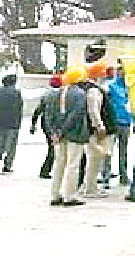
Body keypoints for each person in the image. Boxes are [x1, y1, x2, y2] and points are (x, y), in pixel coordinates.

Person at [49, 66, 90, 206]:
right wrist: (63, 130)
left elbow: (50, 114)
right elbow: (76, 115)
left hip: (58, 134)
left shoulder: (55, 93)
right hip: (75, 133)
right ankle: (69, 195)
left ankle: (55, 194)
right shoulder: (80, 94)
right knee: (73, 164)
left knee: (59, 163)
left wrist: (54, 132)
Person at [79, 60, 116, 198]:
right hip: (97, 131)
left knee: (94, 159)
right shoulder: (94, 91)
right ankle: (90, 188)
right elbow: (93, 111)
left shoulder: (93, 89)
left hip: (95, 130)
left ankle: (89, 185)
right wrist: (100, 127)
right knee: (94, 160)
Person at [104, 65, 133, 186]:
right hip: (113, 122)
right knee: (108, 150)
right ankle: (105, 174)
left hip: (126, 122)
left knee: (123, 151)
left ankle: (123, 175)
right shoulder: (110, 85)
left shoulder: (130, 87)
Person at [30, 74, 63, 178]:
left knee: (51, 147)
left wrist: (33, 124)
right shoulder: (60, 95)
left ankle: (46, 170)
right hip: (54, 125)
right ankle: (45, 170)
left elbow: (38, 110)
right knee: (53, 149)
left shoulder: (45, 94)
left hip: (45, 124)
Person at [0, 74, 23, 173]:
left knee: (1, 144)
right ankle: (7, 165)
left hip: (1, 123)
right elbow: (19, 108)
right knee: (11, 146)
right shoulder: (16, 93)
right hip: (13, 124)